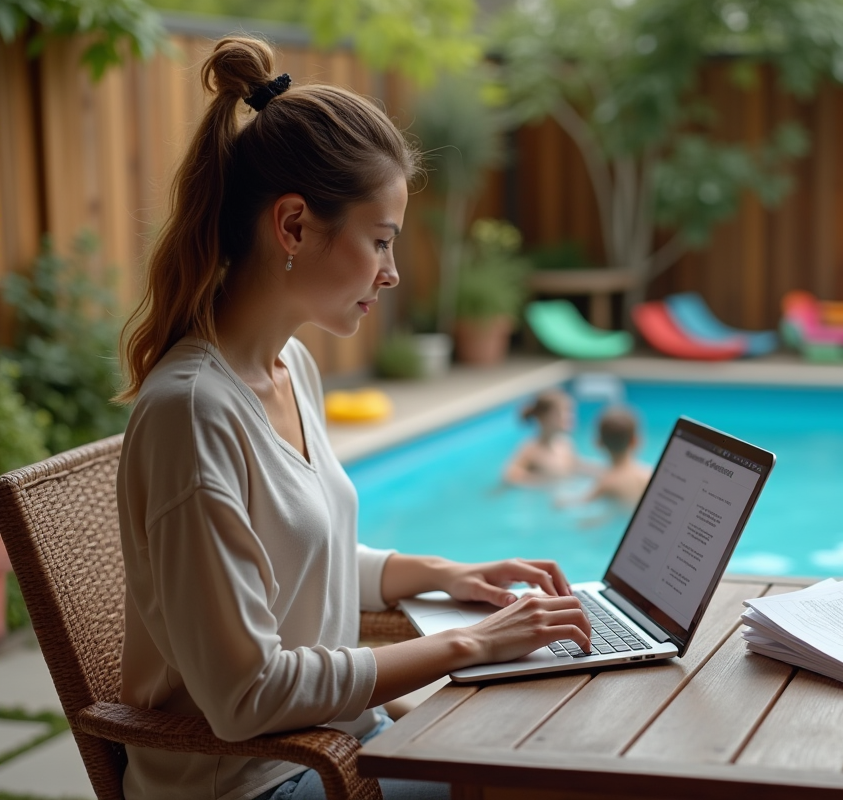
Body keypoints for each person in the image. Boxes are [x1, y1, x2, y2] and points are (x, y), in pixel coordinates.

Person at [115, 37, 590, 800]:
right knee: (550, 777)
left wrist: (447, 575)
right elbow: (246, 696)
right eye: (379, 241)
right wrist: (467, 645)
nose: (392, 272)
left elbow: (300, 557)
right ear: (294, 226)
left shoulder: (289, 367)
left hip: (336, 742)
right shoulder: (193, 414)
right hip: (258, 783)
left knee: (563, 737)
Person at [562, 406, 652, 508]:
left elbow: (581, 503)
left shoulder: (607, 483)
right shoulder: (649, 474)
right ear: (635, 441)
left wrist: (562, 502)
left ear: (598, 443)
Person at [502, 389, 582, 485]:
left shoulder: (565, 443)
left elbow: (575, 465)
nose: (570, 416)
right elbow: (510, 476)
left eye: (570, 411)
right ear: (544, 417)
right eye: (563, 411)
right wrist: (545, 482)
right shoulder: (531, 450)